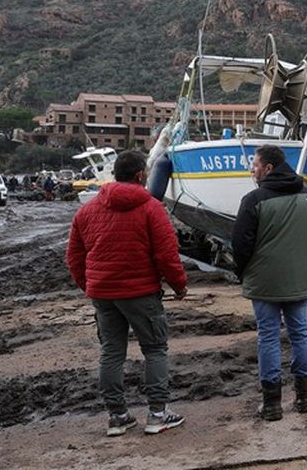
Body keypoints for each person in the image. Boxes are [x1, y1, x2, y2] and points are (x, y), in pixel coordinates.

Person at [66, 150, 187, 436]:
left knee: (111, 352)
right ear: (140, 175)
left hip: (103, 294)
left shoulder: (87, 210)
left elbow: (74, 256)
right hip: (141, 293)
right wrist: (178, 284)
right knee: (155, 349)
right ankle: (157, 414)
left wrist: (91, 285)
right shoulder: (151, 208)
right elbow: (167, 254)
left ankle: (117, 416)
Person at [232, 144, 307, 421]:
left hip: (264, 281)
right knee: (300, 332)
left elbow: (240, 244)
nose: (252, 169)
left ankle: (272, 404)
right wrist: (303, 255)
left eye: (255, 165)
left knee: (268, 335)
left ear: (268, 168)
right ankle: (305, 398)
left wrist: (243, 271)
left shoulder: (253, 200)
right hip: (298, 279)